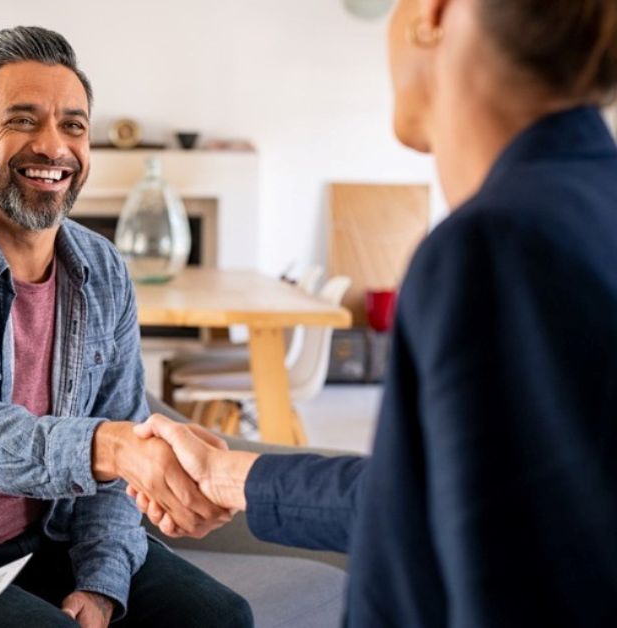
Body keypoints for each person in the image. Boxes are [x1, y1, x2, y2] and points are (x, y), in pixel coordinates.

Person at [127, 0, 617, 625]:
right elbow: (429, 502)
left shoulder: (495, 246)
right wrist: (229, 474)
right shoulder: (586, 208)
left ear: (434, 14)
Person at [0, 26, 251, 628]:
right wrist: (111, 447)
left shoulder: (102, 269)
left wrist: (102, 579)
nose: (53, 147)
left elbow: (121, 434)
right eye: (23, 121)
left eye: (73, 126)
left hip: (43, 538)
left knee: (221, 618)